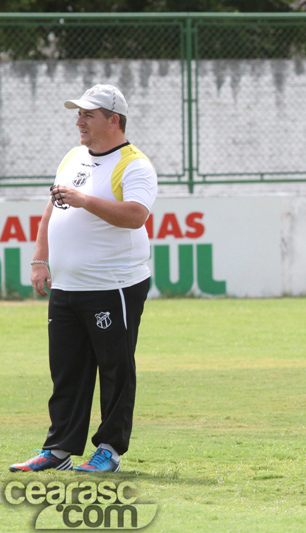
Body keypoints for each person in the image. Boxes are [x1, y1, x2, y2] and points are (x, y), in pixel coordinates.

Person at [9, 84, 157, 473]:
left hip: (114, 285)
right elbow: (51, 209)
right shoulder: (74, 156)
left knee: (115, 368)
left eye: (88, 115)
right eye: (78, 114)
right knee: (67, 370)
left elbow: (136, 215)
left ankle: (109, 450)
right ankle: (58, 449)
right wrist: (40, 259)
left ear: (114, 120)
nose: (79, 121)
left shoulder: (135, 164)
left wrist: (85, 200)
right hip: (68, 286)